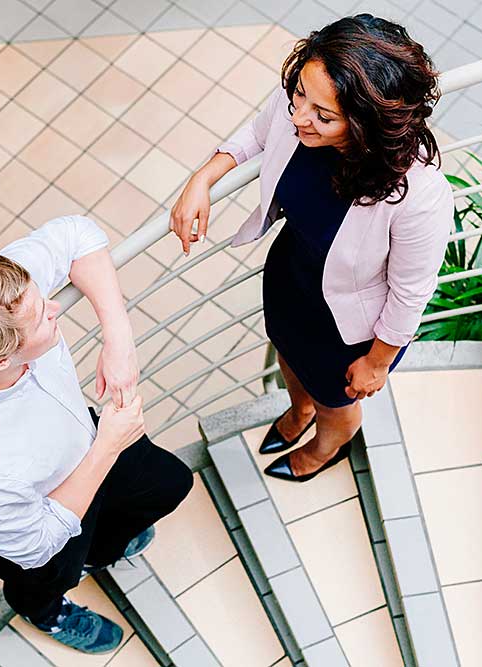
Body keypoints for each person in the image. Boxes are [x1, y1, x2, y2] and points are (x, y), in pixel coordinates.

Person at [169, 15, 453, 482]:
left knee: (335, 399)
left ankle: (326, 445)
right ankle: (298, 410)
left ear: (370, 124)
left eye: (323, 116)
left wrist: (377, 364)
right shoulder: (303, 101)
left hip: (351, 328)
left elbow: (409, 292)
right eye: (299, 95)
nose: (299, 116)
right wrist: (203, 178)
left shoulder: (419, 195)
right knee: (286, 351)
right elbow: (258, 133)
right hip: (292, 277)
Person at [0, 215, 193, 653]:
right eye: (42, 317)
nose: (56, 306)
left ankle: (102, 548)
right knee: (51, 575)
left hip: (85, 444)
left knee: (170, 484)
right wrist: (109, 444)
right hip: (35, 512)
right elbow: (36, 545)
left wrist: (117, 338)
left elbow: (78, 236)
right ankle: (46, 611)